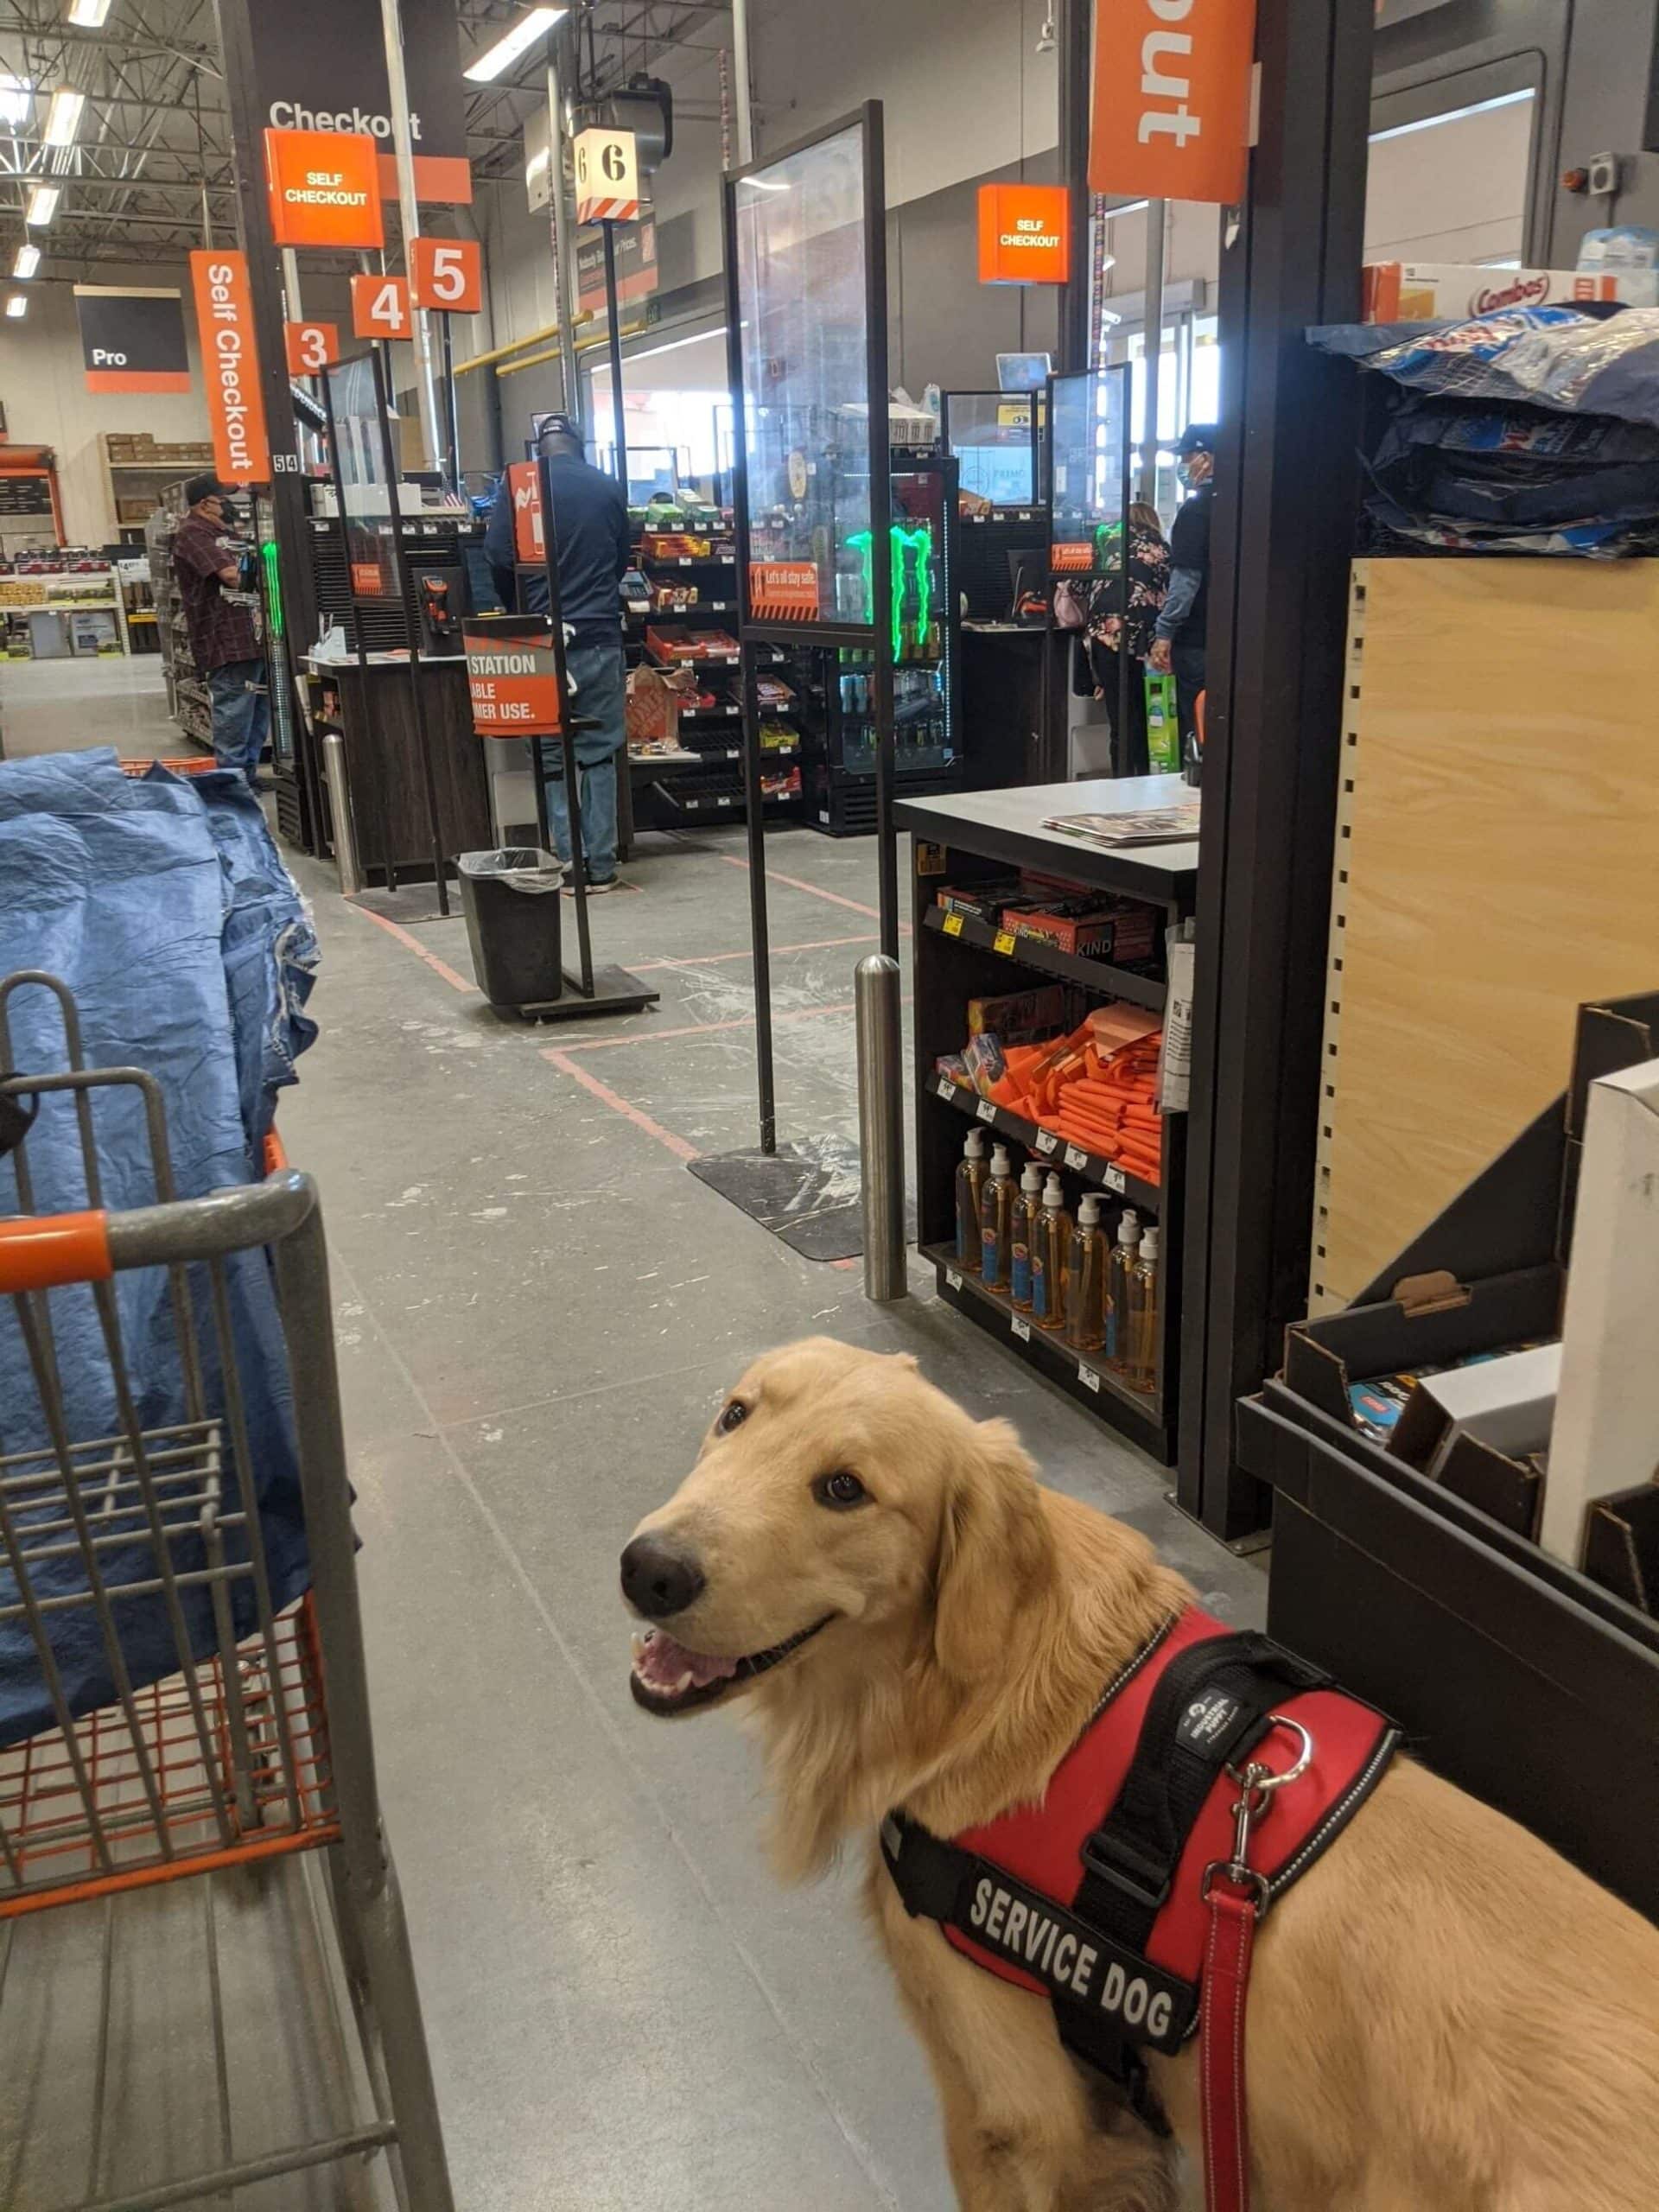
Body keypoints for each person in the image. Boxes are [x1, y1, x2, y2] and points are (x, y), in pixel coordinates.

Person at [487, 416, 632, 891]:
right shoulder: (607, 486)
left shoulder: (517, 484)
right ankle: (603, 865)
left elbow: (497, 556)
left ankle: (569, 863)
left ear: (539, 450)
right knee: (600, 751)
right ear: (579, 447)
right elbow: (619, 559)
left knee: (553, 755)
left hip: (540, 639)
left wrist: (519, 608)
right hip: (598, 636)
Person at [172, 475, 269, 786]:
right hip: (227, 641)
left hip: (251, 638)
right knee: (235, 718)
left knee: (256, 717)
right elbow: (232, 576)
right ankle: (230, 788)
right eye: (223, 499)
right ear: (205, 504)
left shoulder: (223, 532)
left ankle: (247, 781)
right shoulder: (193, 534)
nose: (229, 505)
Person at [1084, 502, 1169, 777]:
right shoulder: (1160, 548)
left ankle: (1119, 779)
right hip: (1144, 639)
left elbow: (1078, 584)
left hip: (1105, 638)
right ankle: (1144, 778)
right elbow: (1169, 591)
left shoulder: (1105, 542)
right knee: (1146, 717)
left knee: (1120, 720)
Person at [1148, 423, 1217, 759]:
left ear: (1206, 459)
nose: (1184, 465)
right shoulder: (1247, 506)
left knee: (1198, 728)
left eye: (1187, 457)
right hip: (1237, 640)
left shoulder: (1196, 511)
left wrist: (1164, 634)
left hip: (1196, 641)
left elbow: (1185, 582)